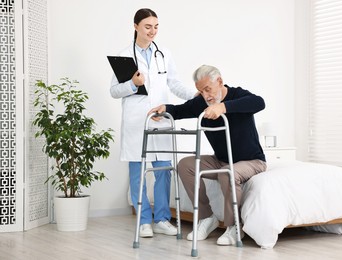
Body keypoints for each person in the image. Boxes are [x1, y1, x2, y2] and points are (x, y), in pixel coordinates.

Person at [148, 64, 267, 246]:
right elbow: (181, 110)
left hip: (252, 161)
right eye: (201, 91)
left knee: (229, 172)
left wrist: (223, 107)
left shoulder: (238, 95)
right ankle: (206, 217)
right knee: (185, 165)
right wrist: (165, 109)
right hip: (221, 160)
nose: (206, 95)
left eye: (207, 89)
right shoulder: (203, 102)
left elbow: (259, 102)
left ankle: (233, 226)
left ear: (219, 81)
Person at [110, 8, 197, 238]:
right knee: (138, 172)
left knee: (163, 170)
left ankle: (161, 219)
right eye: (148, 26)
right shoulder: (124, 55)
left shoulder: (164, 54)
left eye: (156, 26)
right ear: (136, 26)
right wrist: (132, 83)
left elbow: (174, 83)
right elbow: (114, 91)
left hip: (160, 120)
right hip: (136, 122)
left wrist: (195, 95)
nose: (153, 31)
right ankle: (144, 221)